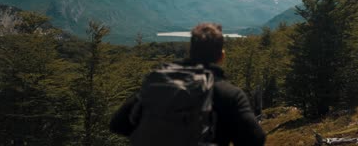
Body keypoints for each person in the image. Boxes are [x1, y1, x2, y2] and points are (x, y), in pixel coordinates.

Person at [110, 23, 266, 146]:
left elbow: (118, 124)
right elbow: (255, 139)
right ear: (221, 56)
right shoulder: (229, 94)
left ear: (190, 50)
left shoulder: (159, 83)